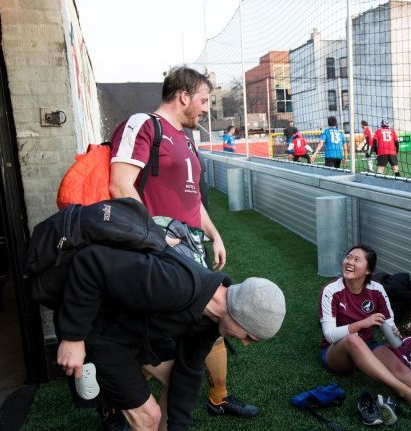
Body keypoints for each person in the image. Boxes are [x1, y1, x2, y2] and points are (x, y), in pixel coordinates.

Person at [108, 67, 258, 421]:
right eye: (204, 100)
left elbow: (191, 200)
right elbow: (120, 186)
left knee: (211, 328)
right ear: (184, 96)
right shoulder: (143, 125)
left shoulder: (187, 139)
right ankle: (118, 400)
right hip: (157, 260)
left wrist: (214, 234)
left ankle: (216, 397)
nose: (207, 108)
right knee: (150, 342)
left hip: (191, 256)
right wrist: (157, 241)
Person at [56, 245, 286, 431]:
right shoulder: (176, 284)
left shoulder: (211, 321)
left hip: (135, 331)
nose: (245, 342)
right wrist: (73, 338)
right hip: (99, 331)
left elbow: (188, 372)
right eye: (249, 336)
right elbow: (90, 262)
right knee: (149, 418)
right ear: (240, 315)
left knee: (174, 375)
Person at [318, 244, 411, 417]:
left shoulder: (376, 290)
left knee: (400, 368)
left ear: (368, 270)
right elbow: (329, 335)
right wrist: (362, 323)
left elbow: (389, 324)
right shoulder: (331, 290)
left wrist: (393, 332)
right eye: (348, 257)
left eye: (357, 259)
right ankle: (403, 390)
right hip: (336, 352)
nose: (349, 262)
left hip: (368, 345)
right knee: (353, 339)